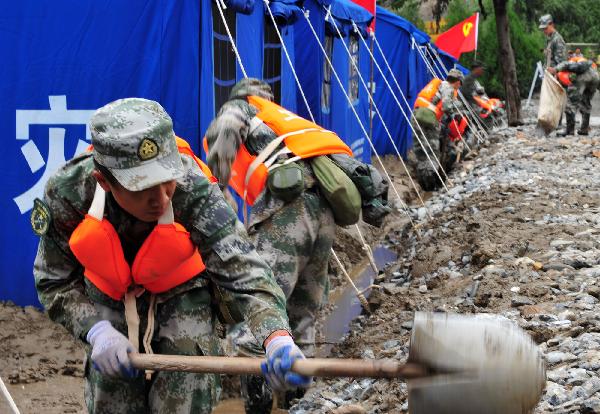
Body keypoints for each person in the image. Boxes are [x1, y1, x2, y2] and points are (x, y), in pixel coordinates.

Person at [32, 97, 310, 413]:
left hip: (183, 291)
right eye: (142, 187)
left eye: (167, 181)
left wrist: (276, 338)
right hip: (110, 295)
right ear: (104, 182)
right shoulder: (68, 194)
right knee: (112, 394)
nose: (161, 198)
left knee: (185, 391)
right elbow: (53, 279)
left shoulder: (193, 187)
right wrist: (96, 331)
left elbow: (244, 270)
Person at [204, 78, 390, 413]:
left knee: (259, 298)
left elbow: (225, 132)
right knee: (304, 310)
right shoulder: (289, 124)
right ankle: (298, 403)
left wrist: (216, 193)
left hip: (288, 213)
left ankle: (256, 406)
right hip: (324, 216)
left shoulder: (241, 108)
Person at [410, 68, 466, 191]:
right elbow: (446, 106)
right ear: (457, 82)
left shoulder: (438, 85)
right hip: (429, 120)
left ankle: (423, 183)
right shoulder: (448, 87)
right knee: (432, 151)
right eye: (460, 84)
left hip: (417, 116)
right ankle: (432, 185)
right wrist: (453, 115)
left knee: (421, 151)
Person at [555, 58, 600, 135]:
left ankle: (569, 130)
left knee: (570, 104)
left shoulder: (569, 63)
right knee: (586, 103)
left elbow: (566, 65)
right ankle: (584, 129)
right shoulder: (585, 62)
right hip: (595, 77)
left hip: (583, 77)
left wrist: (555, 69)